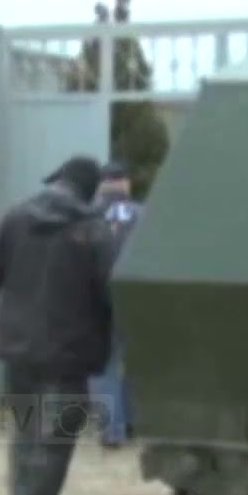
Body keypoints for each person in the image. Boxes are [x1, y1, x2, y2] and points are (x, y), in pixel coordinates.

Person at [0, 155, 113, 495]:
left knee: (25, 438)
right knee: (55, 444)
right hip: (68, 356)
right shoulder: (94, 231)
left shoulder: (17, 218)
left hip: (17, 351)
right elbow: (112, 293)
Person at [91, 160, 140, 449]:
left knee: (103, 365)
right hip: (135, 296)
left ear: (101, 185)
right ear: (126, 183)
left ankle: (111, 430)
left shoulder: (87, 214)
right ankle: (132, 422)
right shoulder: (143, 214)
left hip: (97, 297)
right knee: (135, 362)